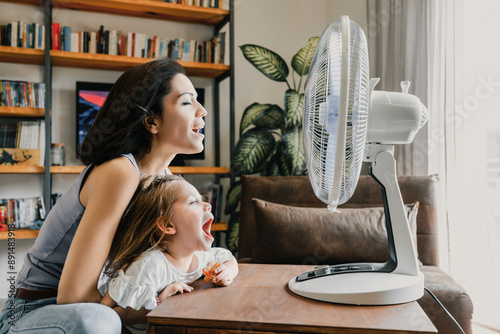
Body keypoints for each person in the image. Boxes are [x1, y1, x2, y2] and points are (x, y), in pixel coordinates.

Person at [0, 57, 208, 334]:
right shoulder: (120, 171)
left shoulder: (167, 182)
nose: (202, 111)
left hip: (104, 305)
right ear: (151, 121)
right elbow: (73, 299)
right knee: (100, 322)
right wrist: (152, 306)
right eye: (186, 102)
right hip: (39, 312)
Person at [99, 174, 238, 332]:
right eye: (193, 202)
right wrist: (159, 302)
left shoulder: (201, 257)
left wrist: (228, 272)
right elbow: (104, 312)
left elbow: (228, 258)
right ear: (167, 225)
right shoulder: (149, 266)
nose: (207, 205)